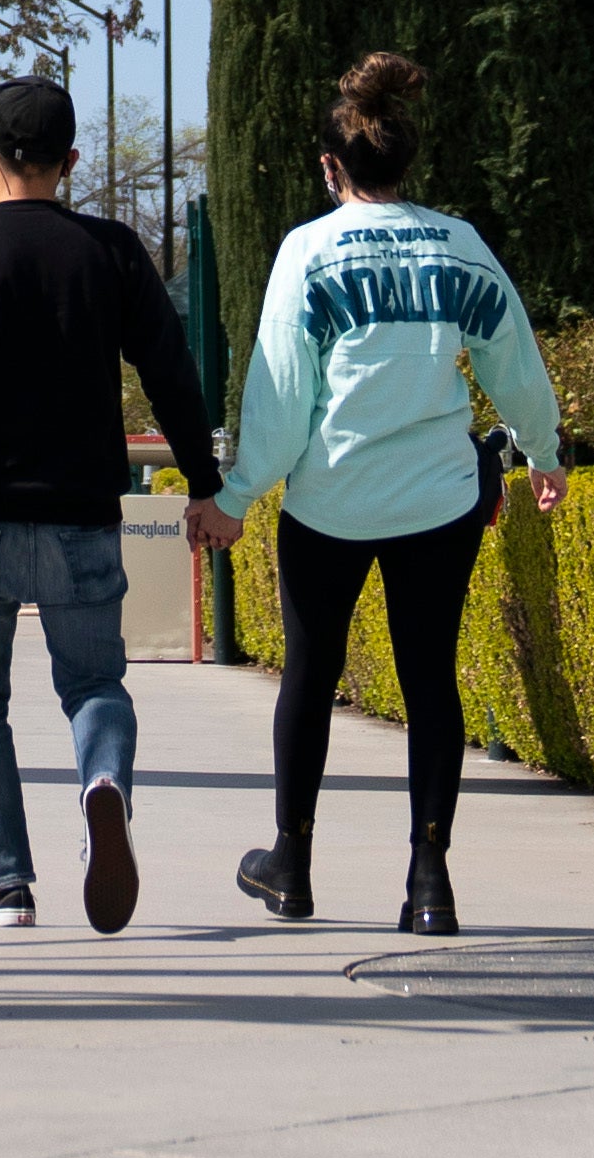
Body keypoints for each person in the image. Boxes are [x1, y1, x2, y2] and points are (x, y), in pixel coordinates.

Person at [216, 47, 560, 937]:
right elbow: (512, 359)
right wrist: (543, 451)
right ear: (405, 160)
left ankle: (290, 865)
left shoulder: (309, 251)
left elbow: (282, 392)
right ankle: (429, 881)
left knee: (310, 673)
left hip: (330, 502)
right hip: (439, 504)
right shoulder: (459, 245)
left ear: (332, 167)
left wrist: (239, 493)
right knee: (429, 682)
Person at [0, 72, 230, 933]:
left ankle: (6, 883)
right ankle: (103, 783)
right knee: (95, 682)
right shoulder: (112, 252)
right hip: (83, 514)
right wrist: (204, 481)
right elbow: (171, 374)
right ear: (72, 161)